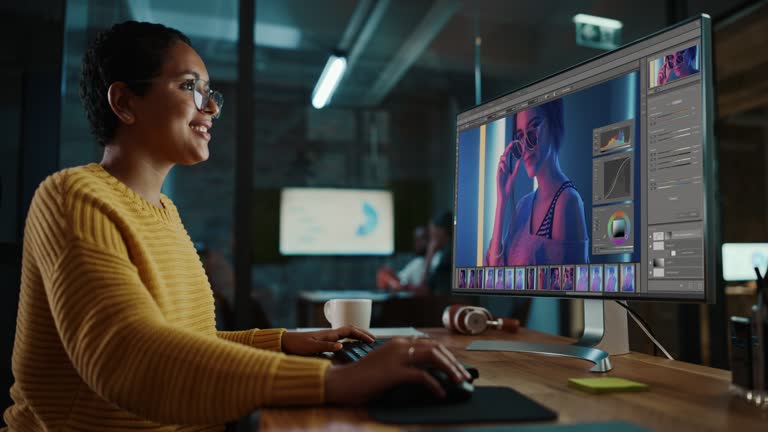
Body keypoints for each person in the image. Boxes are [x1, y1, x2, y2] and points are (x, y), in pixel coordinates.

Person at [2, 21, 470, 431]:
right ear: (125, 102)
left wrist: (285, 342)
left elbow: (191, 344)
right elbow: (128, 358)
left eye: (210, 92)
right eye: (190, 87)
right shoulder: (70, 197)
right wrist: (338, 380)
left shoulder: (164, 212)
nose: (212, 108)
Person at [485, 99, 588, 267]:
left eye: (532, 130)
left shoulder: (567, 201)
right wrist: (501, 202)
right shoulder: (523, 205)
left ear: (553, 123)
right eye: (520, 137)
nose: (525, 146)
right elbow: (494, 273)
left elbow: (565, 288)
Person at [376, 225, 429, 290]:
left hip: (414, 295)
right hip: (403, 287)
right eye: (416, 239)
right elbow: (401, 279)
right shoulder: (417, 261)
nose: (417, 243)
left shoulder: (432, 260)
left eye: (422, 238)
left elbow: (419, 288)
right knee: (383, 273)